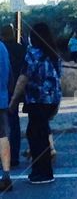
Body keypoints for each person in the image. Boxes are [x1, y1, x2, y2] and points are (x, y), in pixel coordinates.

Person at [9, 22, 61, 185]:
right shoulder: (54, 54)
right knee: (42, 134)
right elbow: (58, 78)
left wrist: (13, 100)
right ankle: (44, 171)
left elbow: (23, 77)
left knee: (35, 135)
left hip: (37, 99)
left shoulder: (33, 53)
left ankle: (41, 171)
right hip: (51, 99)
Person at [0, 26, 24, 171]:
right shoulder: (18, 49)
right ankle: (11, 160)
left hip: (6, 91)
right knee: (10, 126)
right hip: (8, 93)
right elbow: (11, 74)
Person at [0, 31, 12, 192]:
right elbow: (9, 72)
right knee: (2, 136)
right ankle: (6, 174)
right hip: (2, 97)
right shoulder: (2, 47)